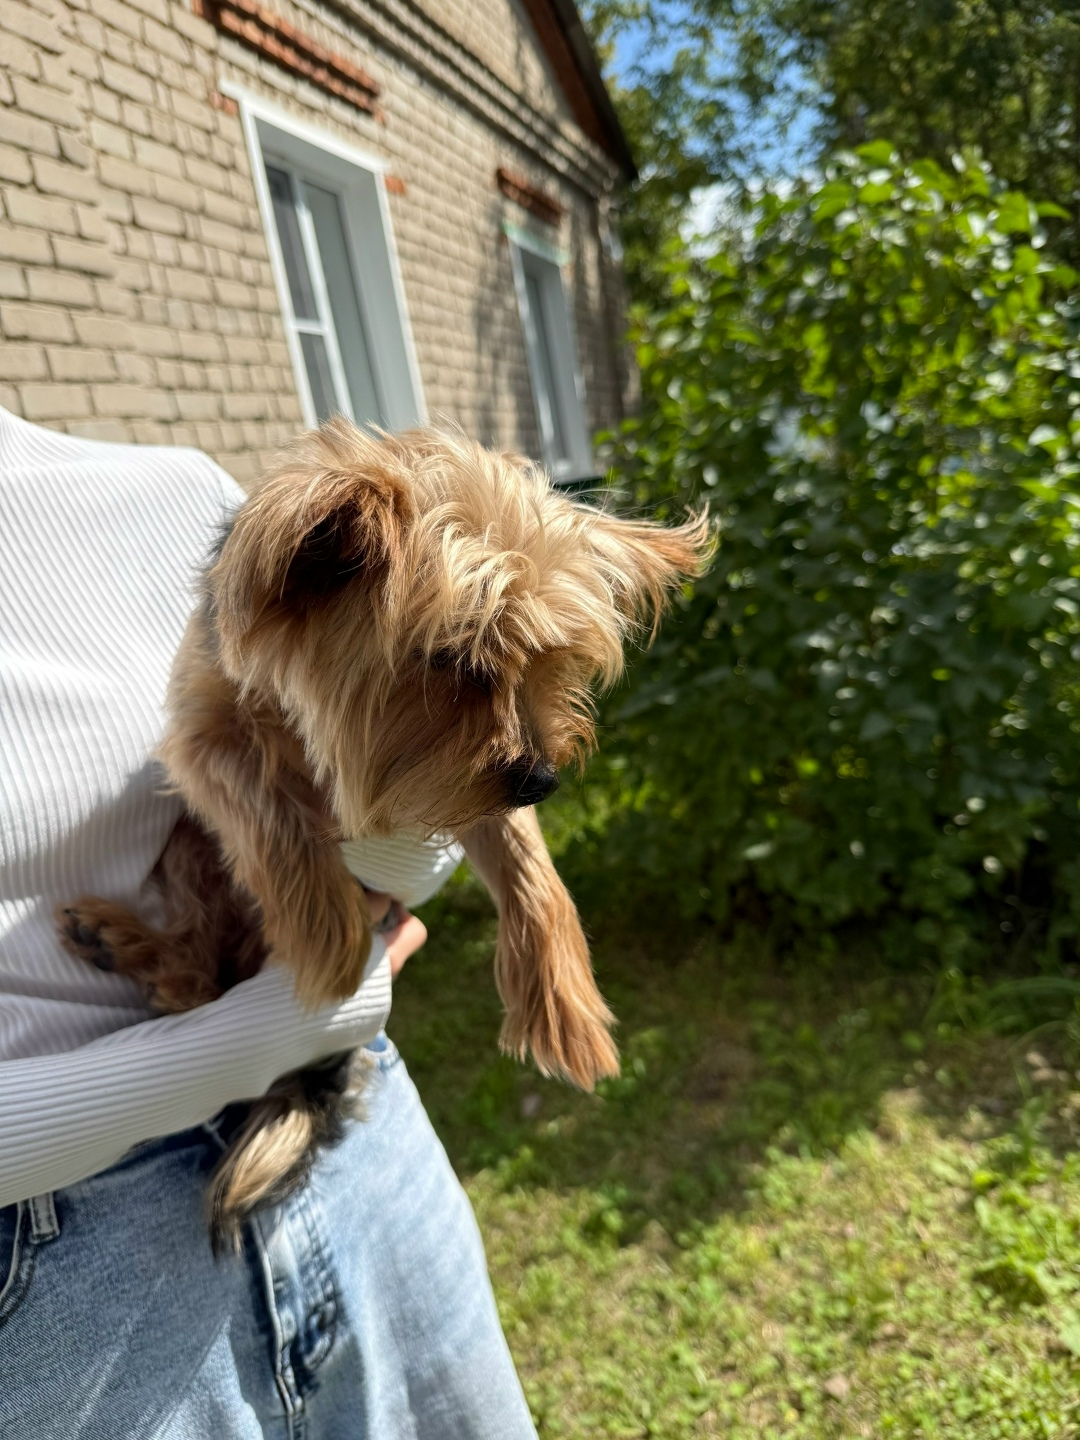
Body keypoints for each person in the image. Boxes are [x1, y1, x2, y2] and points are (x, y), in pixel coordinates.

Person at [0, 408, 537, 1439]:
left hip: (367, 1163)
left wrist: (398, 865)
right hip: (63, 1302)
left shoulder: (171, 498)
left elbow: (369, 756)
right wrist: (273, 1030)